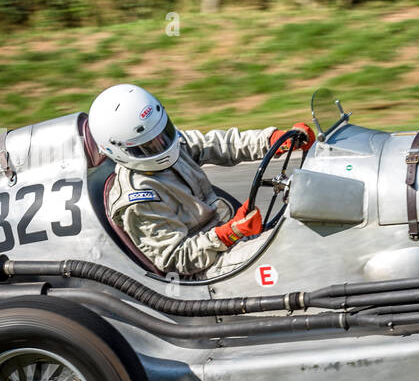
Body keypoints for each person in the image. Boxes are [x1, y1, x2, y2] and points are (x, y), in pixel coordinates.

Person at [87, 84, 313, 277]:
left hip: (228, 240)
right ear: (118, 150)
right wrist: (230, 233)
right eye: (148, 146)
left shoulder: (172, 143)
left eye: (162, 133)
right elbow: (175, 259)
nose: (161, 145)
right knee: (292, 248)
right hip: (207, 271)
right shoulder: (138, 199)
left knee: (306, 226)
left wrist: (273, 140)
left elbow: (221, 145)